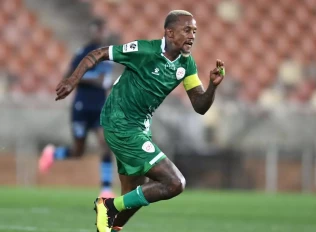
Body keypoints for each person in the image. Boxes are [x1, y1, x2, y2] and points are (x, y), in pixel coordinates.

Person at [54, 10, 225, 232]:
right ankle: (107, 205)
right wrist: (73, 80)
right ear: (170, 33)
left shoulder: (187, 65)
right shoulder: (144, 50)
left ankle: (109, 226)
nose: (192, 35)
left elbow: (200, 106)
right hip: (119, 122)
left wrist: (212, 86)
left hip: (139, 127)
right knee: (175, 183)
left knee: (134, 195)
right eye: (186, 30)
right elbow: (98, 53)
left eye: (194, 31)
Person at [38, 19, 116, 198]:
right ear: (93, 31)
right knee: (78, 151)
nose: (100, 34)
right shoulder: (84, 53)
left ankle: (106, 189)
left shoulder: (108, 55)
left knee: (105, 143)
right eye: (97, 30)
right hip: (82, 105)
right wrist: (93, 80)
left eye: (103, 30)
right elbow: (68, 76)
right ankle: (53, 153)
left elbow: (104, 81)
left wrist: (111, 84)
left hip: (100, 107)